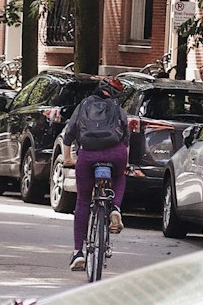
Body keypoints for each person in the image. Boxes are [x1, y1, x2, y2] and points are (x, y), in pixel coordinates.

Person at [61, 77, 130, 272]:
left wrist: (68, 159)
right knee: (119, 176)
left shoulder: (83, 105)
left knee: (83, 201)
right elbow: (126, 138)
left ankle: (77, 253)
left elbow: (69, 133)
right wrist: (124, 163)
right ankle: (115, 208)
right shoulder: (118, 108)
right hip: (115, 153)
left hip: (88, 155)